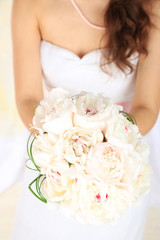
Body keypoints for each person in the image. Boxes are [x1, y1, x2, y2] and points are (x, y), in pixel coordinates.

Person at [10, 0, 160, 239]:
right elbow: (28, 98)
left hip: (117, 165)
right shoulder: (29, 4)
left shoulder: (151, 6)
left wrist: (102, 152)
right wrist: (64, 150)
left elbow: (147, 107)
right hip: (54, 165)